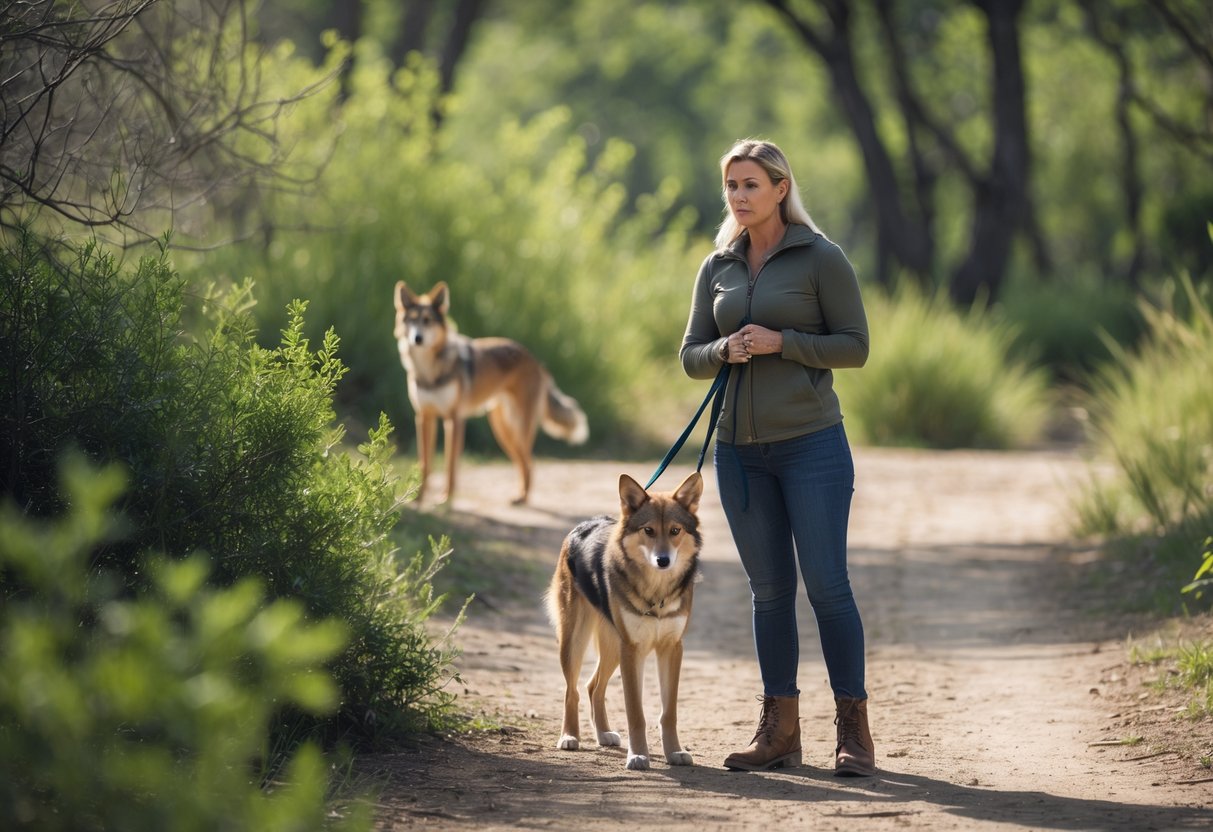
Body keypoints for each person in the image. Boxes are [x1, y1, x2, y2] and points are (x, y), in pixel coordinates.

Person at [679, 139, 874, 776]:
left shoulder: (822, 258)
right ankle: (780, 731)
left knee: (827, 587)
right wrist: (725, 350)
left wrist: (782, 342)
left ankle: (853, 733)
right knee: (768, 593)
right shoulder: (718, 266)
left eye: (751, 184)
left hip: (812, 446)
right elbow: (690, 354)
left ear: (781, 187)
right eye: (731, 185)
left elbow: (854, 347)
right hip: (738, 454)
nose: (739, 196)